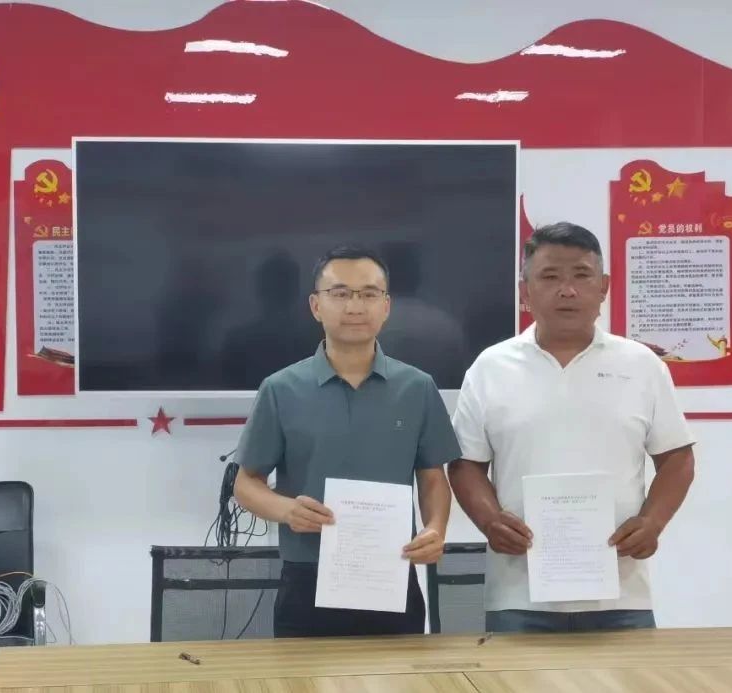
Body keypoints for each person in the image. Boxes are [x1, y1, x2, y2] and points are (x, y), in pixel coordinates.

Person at [448, 222, 696, 634]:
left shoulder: (642, 365)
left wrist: (653, 522)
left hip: (622, 595)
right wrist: (490, 521)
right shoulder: (490, 367)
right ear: (525, 291)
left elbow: (677, 458)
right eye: (549, 277)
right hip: (517, 595)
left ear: (604, 287)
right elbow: (465, 464)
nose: (567, 290)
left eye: (581, 275)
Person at [232, 245, 461, 638]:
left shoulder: (417, 387)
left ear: (386, 306)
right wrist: (287, 510)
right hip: (306, 580)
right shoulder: (281, 388)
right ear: (315, 306)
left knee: (396, 673)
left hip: (391, 573)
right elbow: (245, 483)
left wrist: (436, 528)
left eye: (369, 294)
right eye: (340, 293)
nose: (355, 306)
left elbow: (432, 476)